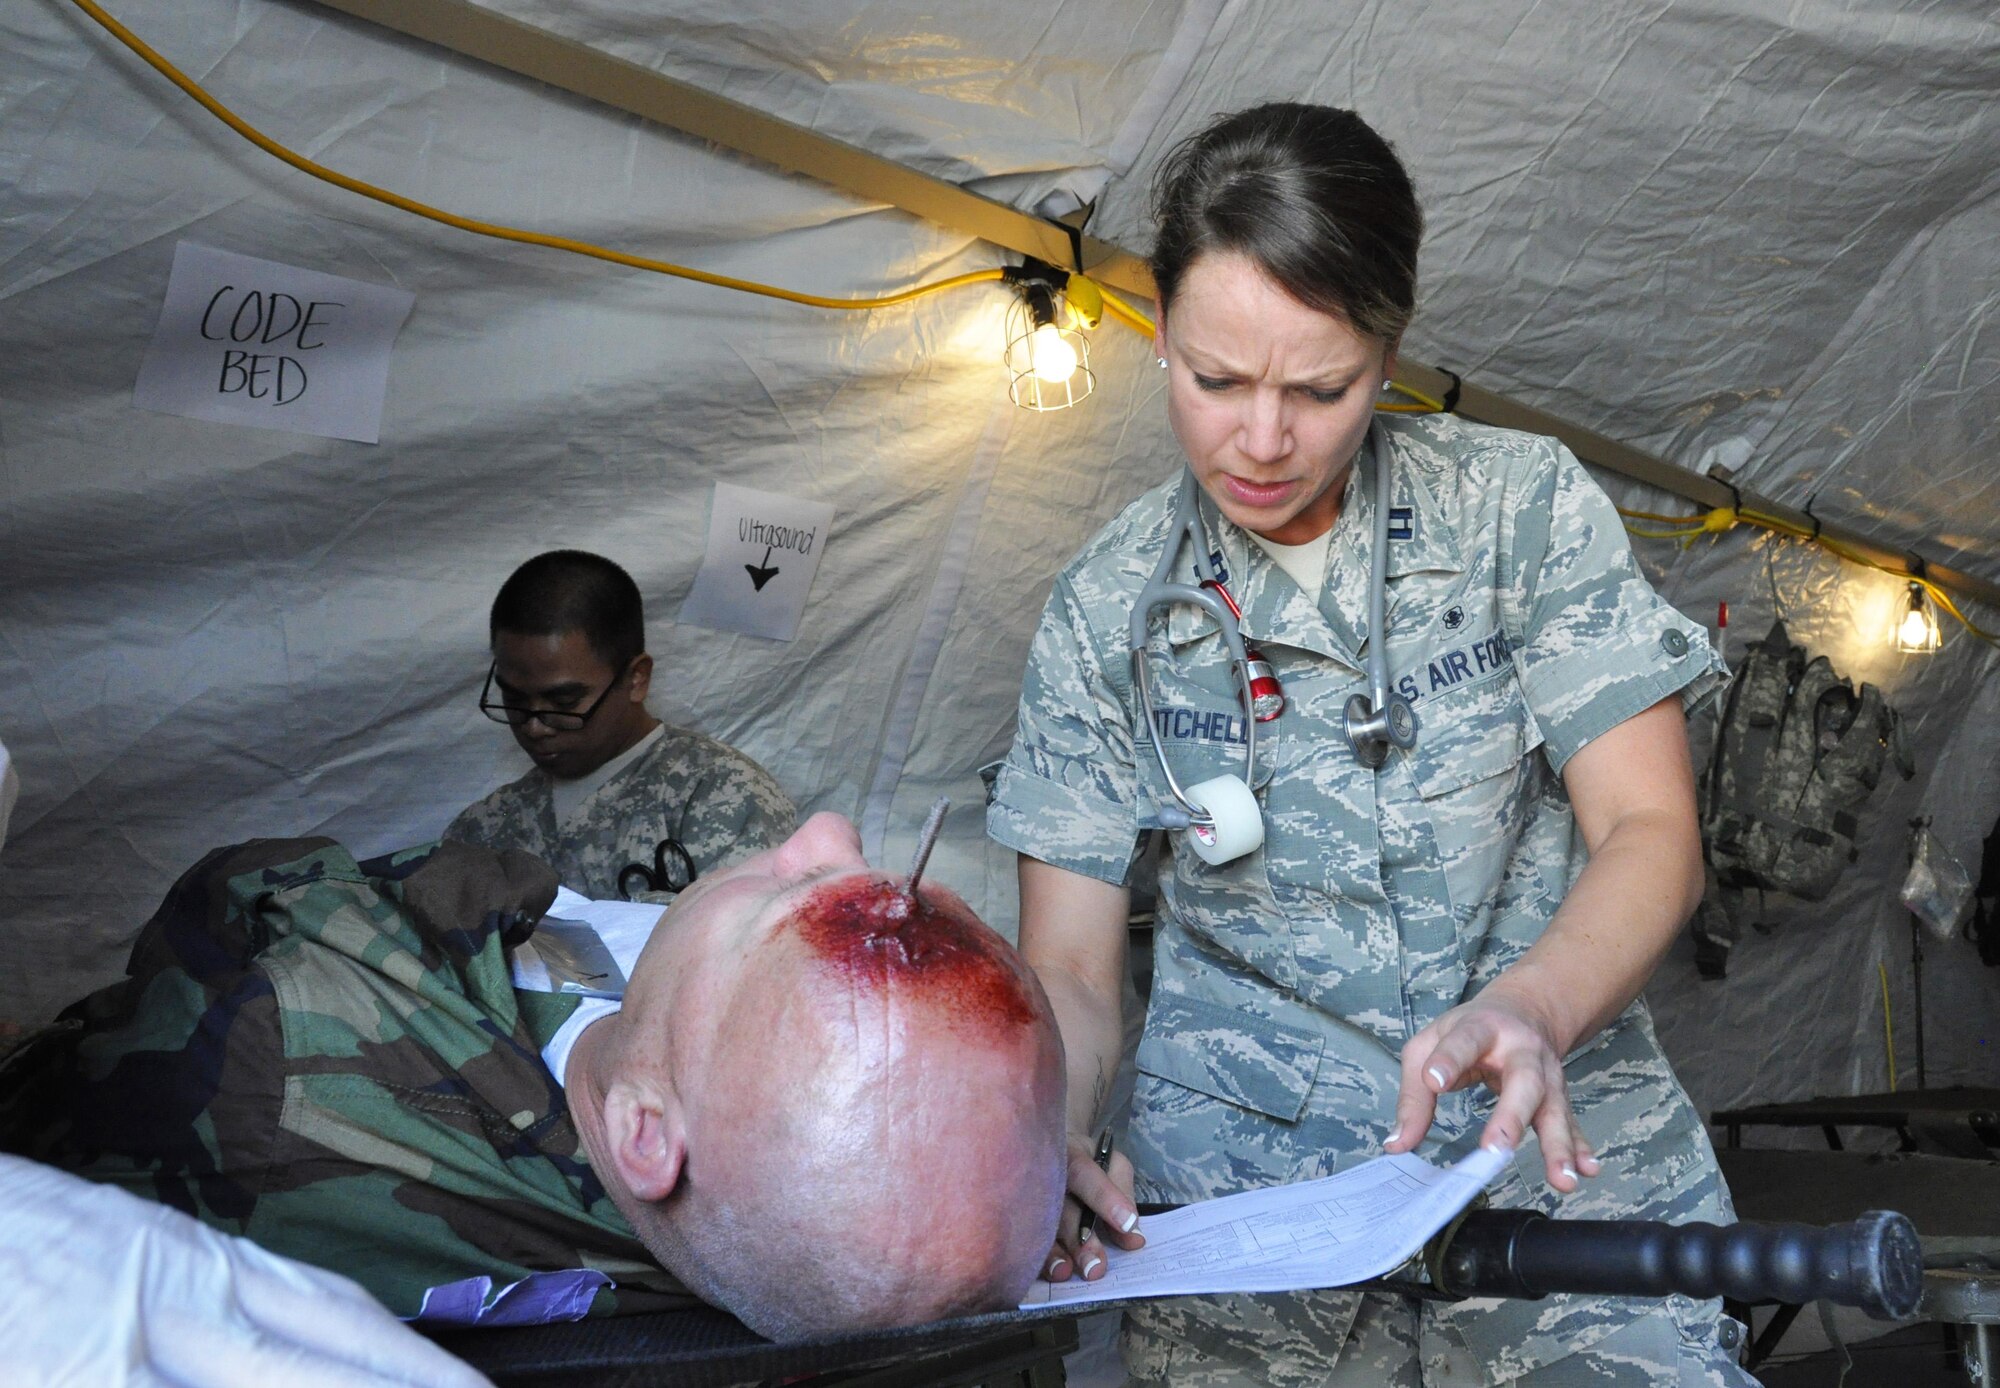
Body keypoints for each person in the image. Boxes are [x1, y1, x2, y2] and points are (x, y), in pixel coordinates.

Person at [987, 104, 1753, 1385]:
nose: (1262, 438)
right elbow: (1066, 962)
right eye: (1212, 379)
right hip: (1250, 1227)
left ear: (1387, 351)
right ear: (1157, 332)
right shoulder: (1105, 606)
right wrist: (1045, 1129)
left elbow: (1649, 830)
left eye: (1320, 387)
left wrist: (1532, 1005)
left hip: (1553, 1175)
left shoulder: (1521, 510)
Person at [1, 814, 1068, 1341]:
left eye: (787, 896)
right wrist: (990, 1168)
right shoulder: (770, 1176)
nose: (821, 828)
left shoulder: (268, 1072)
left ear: (646, 1135)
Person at [447, 550, 797, 901]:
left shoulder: (723, 796)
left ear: (636, 679)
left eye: (565, 703)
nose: (535, 727)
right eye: (515, 700)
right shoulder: (484, 830)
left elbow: (765, 945)